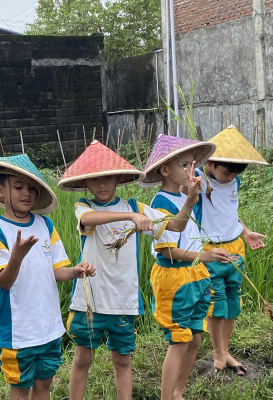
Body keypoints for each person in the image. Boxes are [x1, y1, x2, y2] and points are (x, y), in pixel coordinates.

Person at [57, 140, 202, 400]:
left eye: (108, 178)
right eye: (95, 179)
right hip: (89, 300)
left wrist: (190, 199)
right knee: (83, 358)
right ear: (85, 183)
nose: (102, 184)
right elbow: (87, 220)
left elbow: (176, 226)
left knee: (122, 359)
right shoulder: (85, 206)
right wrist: (130, 218)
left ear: (118, 179)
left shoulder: (137, 207)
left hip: (123, 300)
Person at [0, 154, 95, 400]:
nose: (26, 193)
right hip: (19, 331)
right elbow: (4, 282)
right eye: (18, 187)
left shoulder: (45, 225)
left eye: (31, 188)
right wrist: (17, 257)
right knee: (20, 388)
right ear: (0, 190)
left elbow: (58, 271)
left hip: (49, 326)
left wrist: (77, 271)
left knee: (44, 384)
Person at [142, 134, 229, 399]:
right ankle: (166, 396)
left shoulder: (184, 197)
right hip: (174, 278)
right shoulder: (160, 203)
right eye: (185, 165)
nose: (192, 170)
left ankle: (177, 392)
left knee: (195, 337)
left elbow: (191, 235)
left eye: (194, 164)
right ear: (165, 170)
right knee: (179, 339)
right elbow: (167, 250)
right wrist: (204, 256)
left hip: (194, 275)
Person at [194, 125, 268, 376]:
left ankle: (225, 351)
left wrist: (245, 232)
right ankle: (218, 353)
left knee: (233, 300)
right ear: (210, 162)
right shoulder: (198, 180)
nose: (230, 178)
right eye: (226, 172)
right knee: (216, 303)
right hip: (211, 249)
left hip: (235, 247)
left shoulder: (234, 180)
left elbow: (229, 212)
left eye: (235, 173)